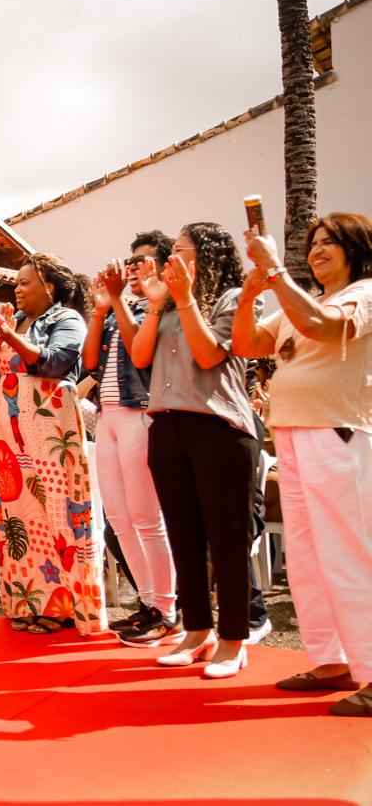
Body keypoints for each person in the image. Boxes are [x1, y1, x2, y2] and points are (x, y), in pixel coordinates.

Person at [232, 212, 372, 715]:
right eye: (313, 243)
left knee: (350, 554)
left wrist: (275, 273)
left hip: (337, 434)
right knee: (310, 557)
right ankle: (332, 660)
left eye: (330, 241)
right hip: (292, 436)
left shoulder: (365, 293)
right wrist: (251, 293)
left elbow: (323, 326)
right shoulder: (300, 301)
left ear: (356, 249)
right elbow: (247, 343)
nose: (317, 250)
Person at [130, 222, 258, 678]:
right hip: (167, 426)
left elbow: (208, 355)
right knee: (184, 538)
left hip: (219, 428)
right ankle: (197, 631)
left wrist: (183, 300)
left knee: (227, 539)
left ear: (207, 255)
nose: (171, 259)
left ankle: (234, 639)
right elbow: (140, 357)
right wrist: (155, 304)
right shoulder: (165, 303)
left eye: (181, 250)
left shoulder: (232, 298)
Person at [0, 253, 104, 636]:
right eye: (16, 282)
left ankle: (63, 606)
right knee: (19, 514)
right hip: (10, 432)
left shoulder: (67, 319)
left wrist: (9, 335)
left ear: (49, 286)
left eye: (25, 282)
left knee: (56, 513)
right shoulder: (16, 320)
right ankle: (28, 600)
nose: (17, 289)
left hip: (49, 428)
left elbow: (55, 363)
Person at [83, 231, 182, 647]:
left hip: (141, 414)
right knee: (120, 520)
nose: (133, 270)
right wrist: (99, 311)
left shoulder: (164, 308)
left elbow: (141, 354)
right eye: (131, 262)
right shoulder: (117, 308)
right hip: (108, 417)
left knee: (146, 518)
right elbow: (90, 362)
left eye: (143, 262)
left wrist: (117, 303)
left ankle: (168, 610)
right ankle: (149, 603)